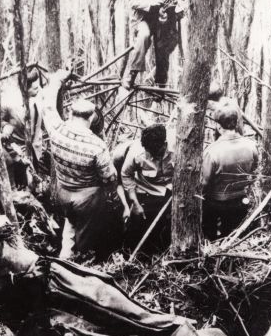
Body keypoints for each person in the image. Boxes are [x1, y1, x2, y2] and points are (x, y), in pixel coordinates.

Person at [41, 69, 118, 260]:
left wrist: (56, 80)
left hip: (63, 193)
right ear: (92, 117)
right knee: (85, 235)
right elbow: (110, 178)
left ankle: (64, 257)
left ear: (70, 113)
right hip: (87, 199)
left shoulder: (56, 129)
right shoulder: (96, 145)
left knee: (70, 222)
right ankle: (80, 263)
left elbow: (47, 106)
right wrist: (112, 194)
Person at [202, 105, 258, 241]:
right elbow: (254, 171)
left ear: (217, 126)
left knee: (210, 239)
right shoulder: (251, 145)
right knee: (235, 239)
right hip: (240, 201)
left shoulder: (212, 151)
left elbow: (203, 182)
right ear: (236, 122)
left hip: (216, 203)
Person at [121, 0, 185, 90]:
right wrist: (151, 2)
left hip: (164, 23)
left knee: (165, 45)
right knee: (143, 36)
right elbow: (132, 0)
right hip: (144, 19)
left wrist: (173, 12)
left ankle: (160, 84)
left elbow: (183, 8)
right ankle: (131, 74)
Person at [121, 123, 174, 253]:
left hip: (171, 192)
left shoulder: (179, 146)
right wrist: (135, 202)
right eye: (150, 151)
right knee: (139, 229)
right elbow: (126, 175)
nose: (153, 155)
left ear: (165, 143)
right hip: (146, 192)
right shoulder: (136, 152)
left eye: (157, 152)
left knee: (167, 229)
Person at [1, 67, 43, 189]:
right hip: (18, 150)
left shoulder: (37, 98)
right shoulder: (9, 102)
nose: (38, 90)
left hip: (35, 146)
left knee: (35, 175)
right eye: (35, 88)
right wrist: (6, 126)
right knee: (23, 181)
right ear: (25, 88)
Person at [205, 81, 244, 146]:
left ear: (212, 100)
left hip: (228, 142)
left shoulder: (221, 108)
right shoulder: (231, 102)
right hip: (237, 139)